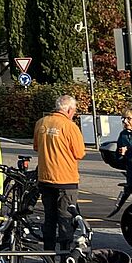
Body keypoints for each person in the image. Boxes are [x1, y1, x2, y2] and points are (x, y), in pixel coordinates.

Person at [33, 94, 87, 250]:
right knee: (65, 219)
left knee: (49, 218)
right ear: (69, 110)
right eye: (74, 110)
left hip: (45, 177)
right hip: (65, 179)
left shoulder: (41, 123)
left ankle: (48, 254)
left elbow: (36, 147)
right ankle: (64, 256)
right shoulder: (70, 126)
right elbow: (79, 153)